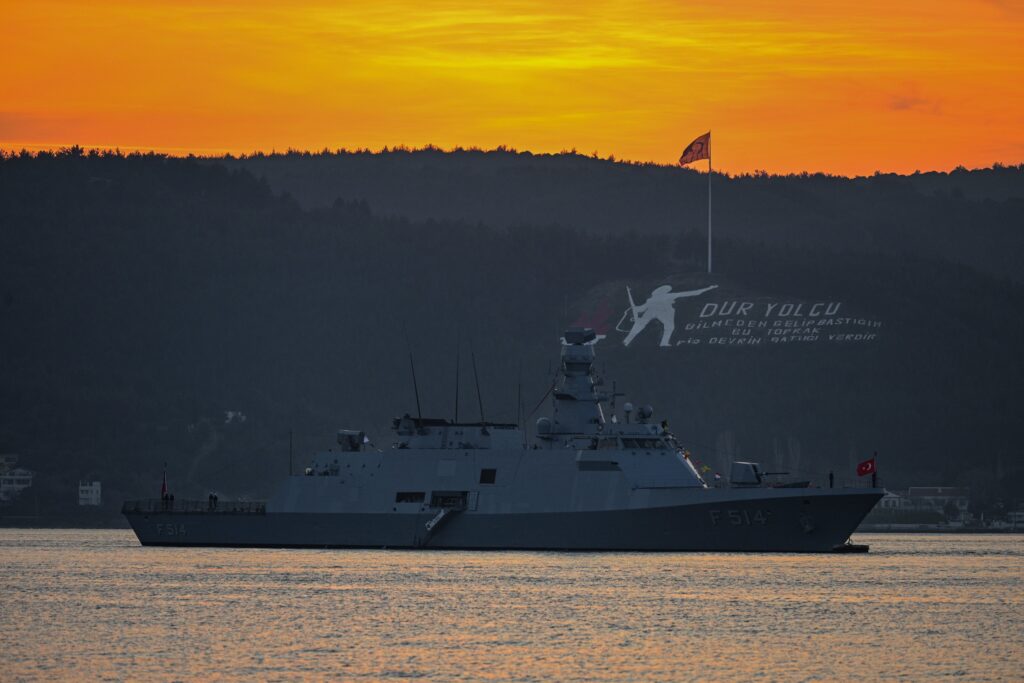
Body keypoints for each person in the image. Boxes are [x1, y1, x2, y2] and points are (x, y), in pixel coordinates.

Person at [622, 284, 718, 347]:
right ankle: (663, 343)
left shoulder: (651, 299)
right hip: (660, 312)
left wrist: (635, 308)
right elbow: (691, 293)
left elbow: (640, 309)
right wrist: (708, 288)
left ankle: (626, 341)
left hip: (655, 311)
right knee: (668, 326)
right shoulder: (667, 296)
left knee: (640, 325)